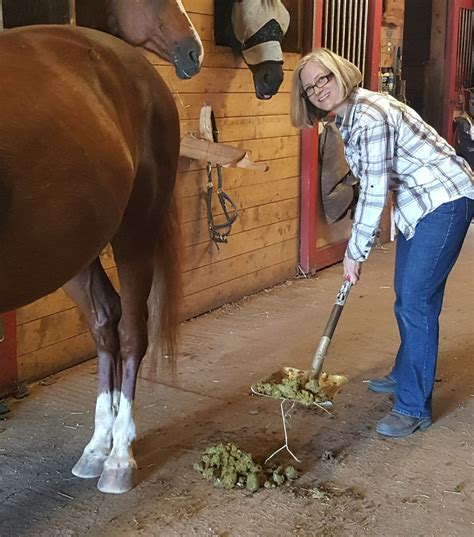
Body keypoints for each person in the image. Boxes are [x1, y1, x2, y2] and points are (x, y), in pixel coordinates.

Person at [290, 48, 474, 438]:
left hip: (444, 199)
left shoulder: (369, 115)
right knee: (409, 296)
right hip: (418, 205)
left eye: (324, 78)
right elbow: (380, 185)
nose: (319, 89)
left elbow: (374, 191)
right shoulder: (347, 117)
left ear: (340, 73)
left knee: (416, 301)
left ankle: (412, 405)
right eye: (310, 87)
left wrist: (354, 254)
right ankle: (405, 372)